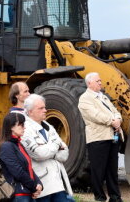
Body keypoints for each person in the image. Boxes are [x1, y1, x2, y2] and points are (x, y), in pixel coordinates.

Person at [78, 72, 123, 202]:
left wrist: (118, 119)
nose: (100, 82)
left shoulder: (103, 97)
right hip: (98, 139)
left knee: (112, 171)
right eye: (97, 81)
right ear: (89, 83)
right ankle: (99, 197)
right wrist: (112, 121)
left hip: (111, 137)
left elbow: (115, 111)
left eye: (100, 80)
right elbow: (95, 115)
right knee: (98, 171)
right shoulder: (85, 98)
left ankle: (115, 197)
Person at [21, 94, 74, 201]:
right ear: (30, 111)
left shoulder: (49, 127)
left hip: (57, 183)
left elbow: (64, 153)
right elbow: (39, 154)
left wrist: (48, 150)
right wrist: (56, 146)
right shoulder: (24, 129)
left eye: (44, 107)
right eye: (41, 108)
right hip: (41, 186)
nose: (45, 110)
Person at [0, 113, 43, 201]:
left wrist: (39, 183)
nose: (24, 127)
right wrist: (34, 187)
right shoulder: (6, 147)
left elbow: (28, 168)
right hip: (18, 195)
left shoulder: (19, 144)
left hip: (27, 193)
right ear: (11, 127)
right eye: (21, 125)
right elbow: (17, 172)